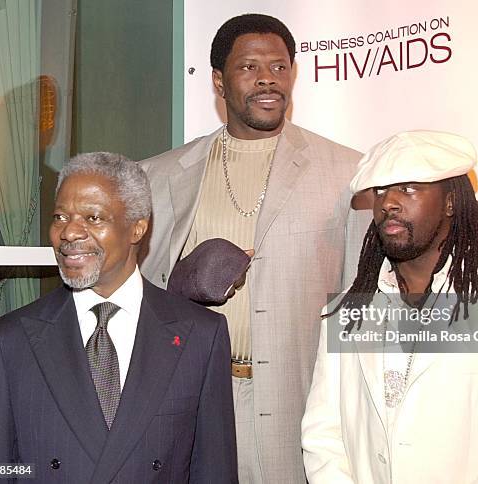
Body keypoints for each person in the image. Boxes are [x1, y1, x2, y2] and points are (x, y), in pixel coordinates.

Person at [138, 13, 362, 484]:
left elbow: (363, 302)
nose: (267, 79)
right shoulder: (160, 176)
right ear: (218, 81)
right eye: (249, 67)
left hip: (299, 404)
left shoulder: (347, 173)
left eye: (280, 67)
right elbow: (132, 292)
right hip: (192, 398)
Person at [301, 130, 478, 483]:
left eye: (409, 187)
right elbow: (322, 435)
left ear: (450, 202)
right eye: (380, 191)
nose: (389, 203)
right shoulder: (349, 309)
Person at [0, 152, 237, 483]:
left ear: (137, 227)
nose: (69, 233)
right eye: (59, 217)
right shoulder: (11, 338)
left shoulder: (201, 335)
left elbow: (214, 471)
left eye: (93, 218)